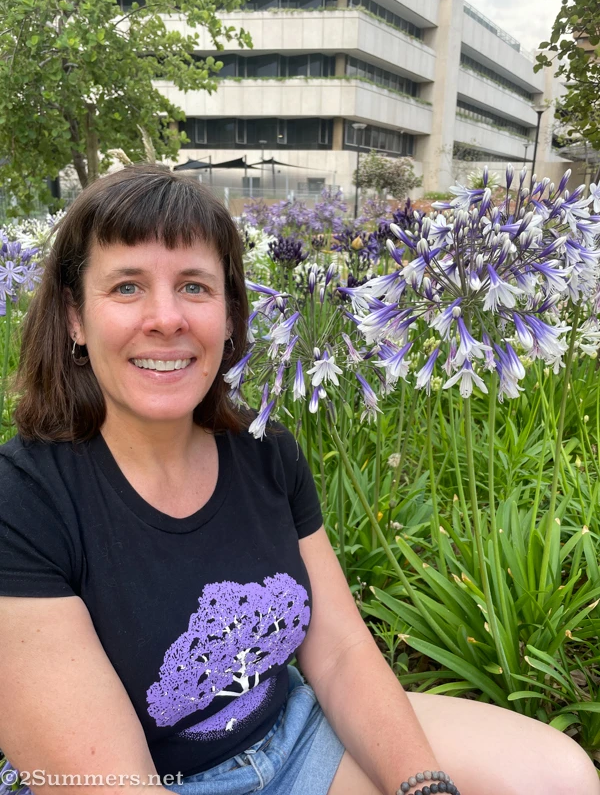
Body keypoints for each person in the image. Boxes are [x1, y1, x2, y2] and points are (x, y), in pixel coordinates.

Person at [0, 164, 597, 795]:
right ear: (74, 318)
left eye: (196, 287)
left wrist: (423, 788)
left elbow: (338, 650)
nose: (166, 318)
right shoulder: (24, 499)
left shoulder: (266, 451)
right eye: (126, 287)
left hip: (291, 736)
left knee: (557, 777)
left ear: (230, 316)